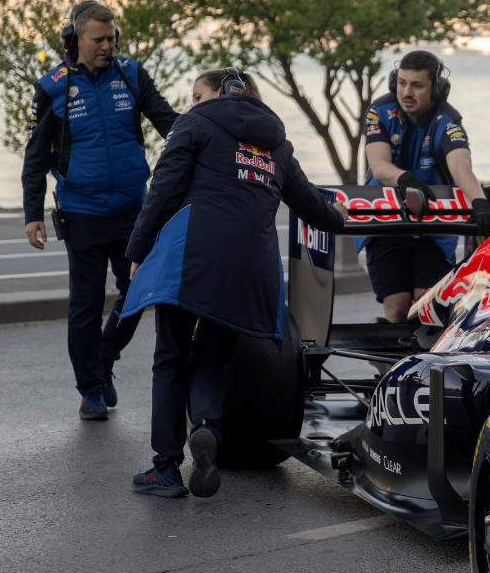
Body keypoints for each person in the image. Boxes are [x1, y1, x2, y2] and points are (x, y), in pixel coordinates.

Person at [120, 68, 347, 498]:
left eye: (195, 95)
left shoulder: (195, 123)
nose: (192, 103)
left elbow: (163, 188)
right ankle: (205, 427)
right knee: (208, 362)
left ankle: (165, 468)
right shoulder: (277, 146)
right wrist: (340, 217)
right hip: (249, 270)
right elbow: (311, 205)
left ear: (217, 96)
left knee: (170, 359)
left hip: (192, 257)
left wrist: (136, 252)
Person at [21, 1, 178, 419]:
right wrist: (32, 213)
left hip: (133, 210)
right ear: (75, 40)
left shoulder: (131, 74)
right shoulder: (52, 87)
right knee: (86, 305)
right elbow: (36, 158)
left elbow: (170, 124)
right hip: (83, 212)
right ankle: (90, 388)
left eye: (112, 37)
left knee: (137, 292)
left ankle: (105, 358)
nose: (107, 45)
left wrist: (216, 125)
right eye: (99, 39)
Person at [361, 50, 490, 323]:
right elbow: (378, 165)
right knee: (398, 307)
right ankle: (391, 364)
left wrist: (480, 203)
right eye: (401, 83)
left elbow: (461, 167)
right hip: (386, 221)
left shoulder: (448, 122)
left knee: (427, 310)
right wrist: (405, 180)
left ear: (437, 90)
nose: (406, 92)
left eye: (417, 85)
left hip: (434, 228)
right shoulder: (379, 111)